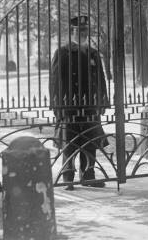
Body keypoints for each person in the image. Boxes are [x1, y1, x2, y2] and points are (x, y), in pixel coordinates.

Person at [49, 16, 110, 190]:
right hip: (69, 105)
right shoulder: (62, 52)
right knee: (69, 141)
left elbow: (100, 78)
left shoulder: (92, 53)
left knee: (90, 141)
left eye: (84, 31)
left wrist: (103, 100)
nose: (81, 34)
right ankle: (68, 177)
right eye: (78, 31)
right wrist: (57, 105)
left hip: (90, 105)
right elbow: (54, 81)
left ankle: (88, 175)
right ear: (72, 32)